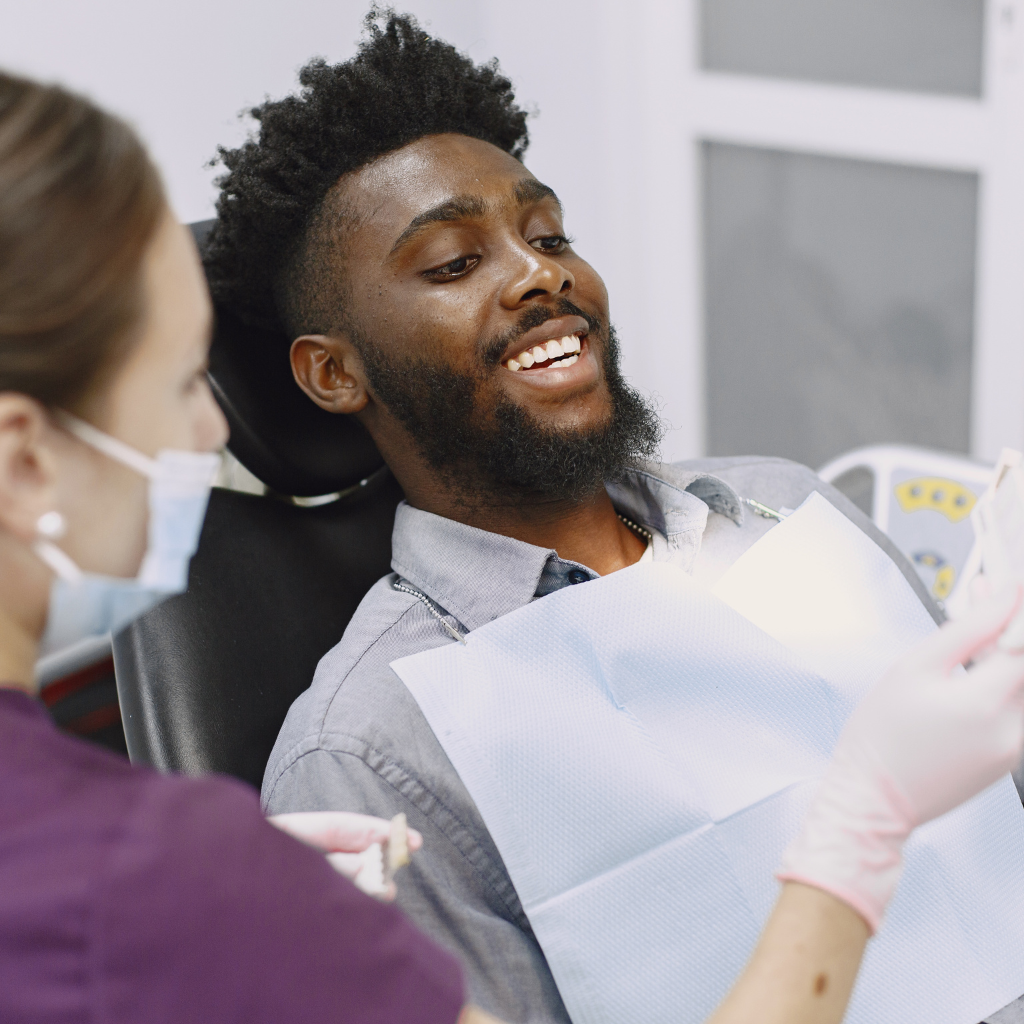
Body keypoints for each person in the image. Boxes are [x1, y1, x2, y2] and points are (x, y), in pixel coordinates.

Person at [203, 12, 1024, 1021]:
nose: (541, 273)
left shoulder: (787, 505)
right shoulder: (370, 755)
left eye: (548, 235)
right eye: (455, 263)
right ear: (334, 372)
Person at [0, 68, 474, 1023]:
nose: (209, 435)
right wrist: (846, 845)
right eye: (182, 383)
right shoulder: (164, 876)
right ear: (24, 462)